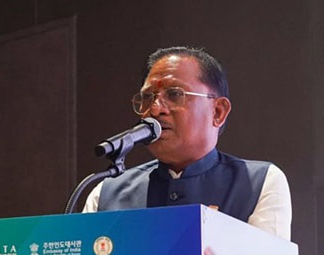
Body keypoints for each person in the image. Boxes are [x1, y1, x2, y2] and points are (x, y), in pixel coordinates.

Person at [83, 46, 292, 240]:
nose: (155, 109)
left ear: (218, 112)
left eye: (174, 94)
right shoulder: (107, 193)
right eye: (148, 97)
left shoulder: (258, 183)